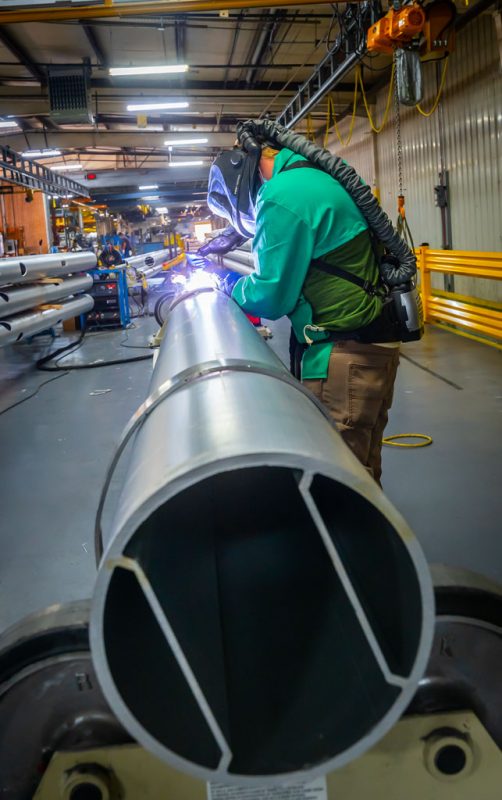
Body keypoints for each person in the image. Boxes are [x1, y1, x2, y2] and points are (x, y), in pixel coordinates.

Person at [207, 137, 402, 487]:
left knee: (337, 480)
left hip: (343, 355)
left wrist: (229, 286)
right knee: (363, 471)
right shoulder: (311, 177)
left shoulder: (281, 194)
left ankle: (348, 542)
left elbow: (272, 296)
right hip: (371, 347)